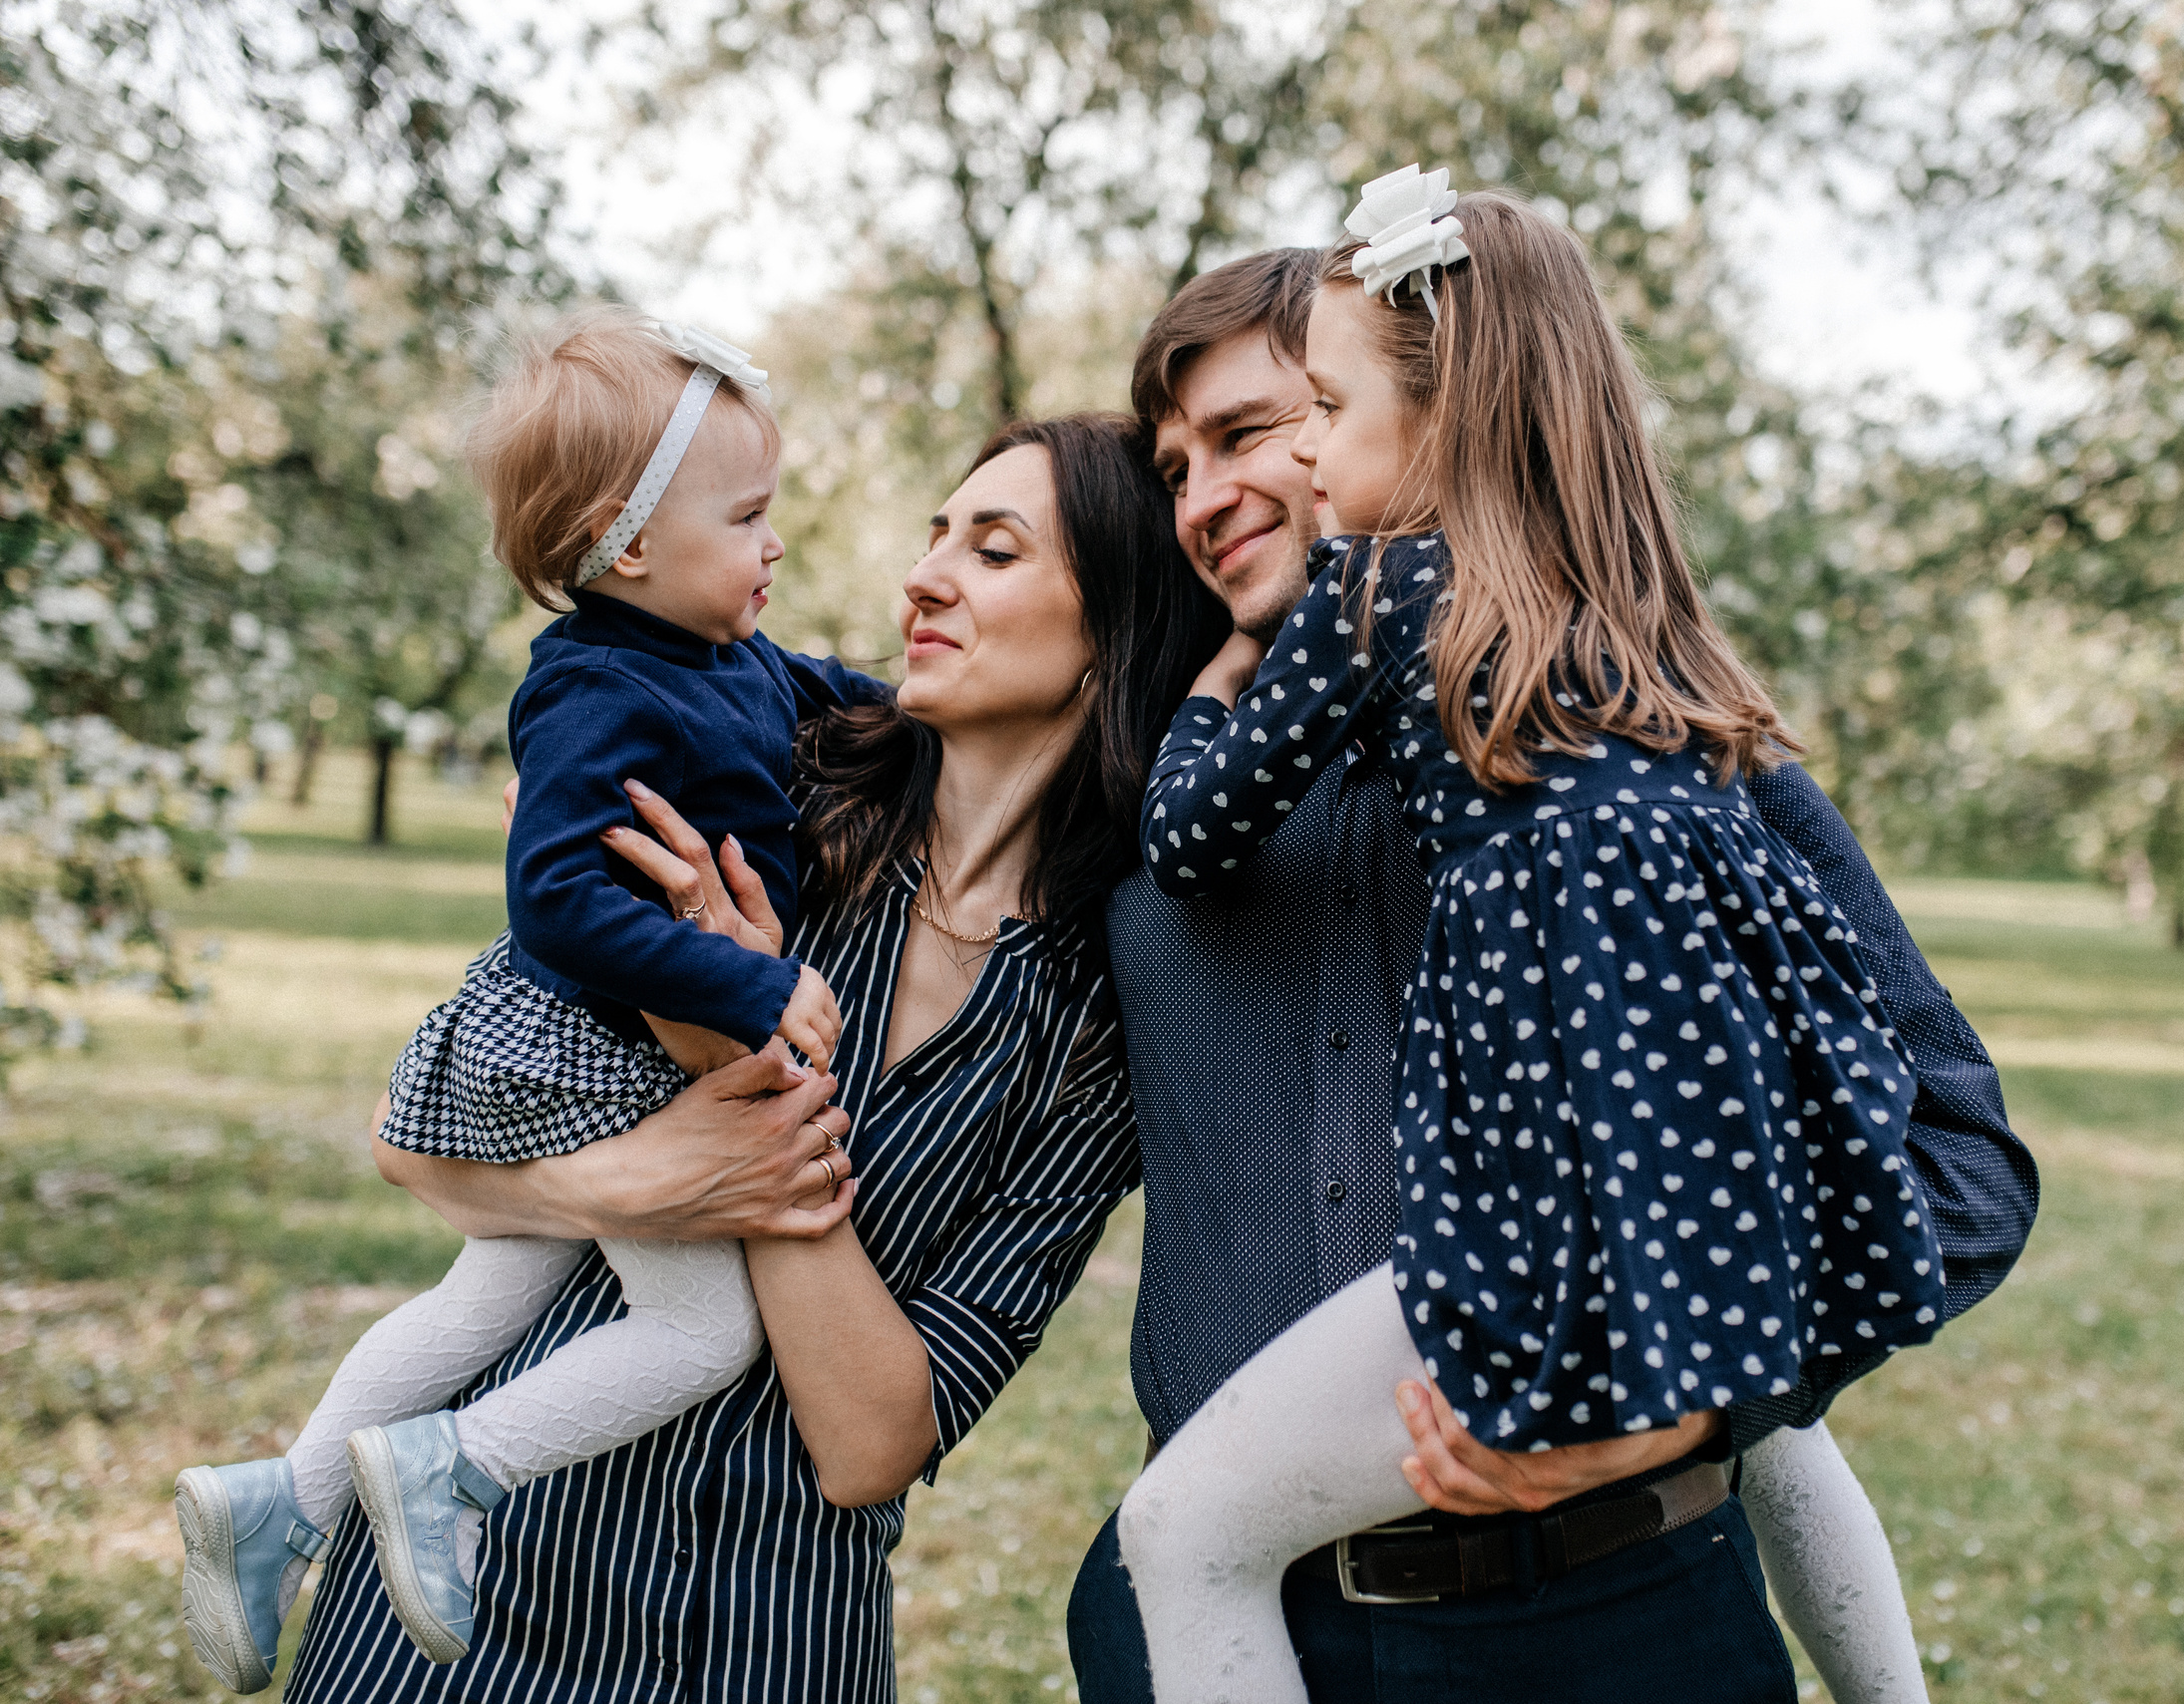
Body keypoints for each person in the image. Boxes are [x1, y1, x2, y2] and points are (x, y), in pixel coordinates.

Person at [1071, 220, 2035, 1701]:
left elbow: (1956, 1155)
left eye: (1256, 427)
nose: (1207, 495)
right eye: (1171, 469)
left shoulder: (1653, 744)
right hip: (1253, 1627)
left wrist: (1707, 1407)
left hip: (1612, 1615)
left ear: (1426, 402)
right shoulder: (1139, 805)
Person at [270, 412, 1229, 1704]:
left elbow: (874, 1439)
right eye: (937, 531)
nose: (925, 573)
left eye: (992, 550)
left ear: (1119, 624)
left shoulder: (1102, 1015)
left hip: (761, 1638)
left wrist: (742, 1059)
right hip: (469, 1599)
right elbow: (418, 1139)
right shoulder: (754, 782)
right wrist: (622, 1186)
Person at [177, 308, 873, 1685]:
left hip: (593, 1046)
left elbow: (851, 704)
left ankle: (284, 1501)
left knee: (487, 1289)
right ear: (627, 543)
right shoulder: (591, 686)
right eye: (747, 514)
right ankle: (457, 1467)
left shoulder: (735, 658)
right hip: (574, 1044)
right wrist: (753, 973)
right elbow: (555, 898)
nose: (774, 540)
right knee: (701, 1328)